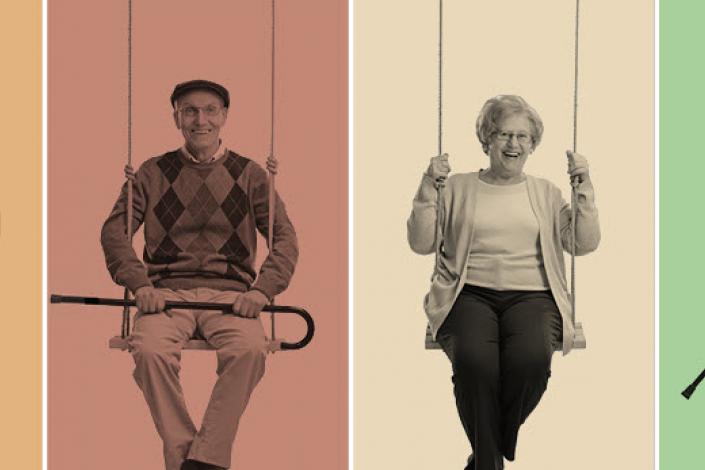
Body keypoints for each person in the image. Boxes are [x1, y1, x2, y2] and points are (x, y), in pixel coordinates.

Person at [101, 79, 298, 470]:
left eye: (210, 110)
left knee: (251, 349)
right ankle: (194, 459)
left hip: (231, 298)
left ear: (224, 116)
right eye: (189, 111)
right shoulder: (151, 172)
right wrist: (141, 285)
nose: (200, 120)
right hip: (165, 296)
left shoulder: (251, 174)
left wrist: (261, 292)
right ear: (176, 117)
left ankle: (199, 460)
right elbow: (114, 232)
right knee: (150, 350)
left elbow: (285, 239)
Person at [407, 95, 600, 470]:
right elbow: (421, 243)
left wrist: (584, 187)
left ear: (532, 144)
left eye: (522, 137)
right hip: (467, 294)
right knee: (475, 364)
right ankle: (490, 463)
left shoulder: (546, 192)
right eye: (503, 135)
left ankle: (484, 455)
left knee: (530, 363)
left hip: (534, 296)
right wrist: (428, 187)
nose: (513, 144)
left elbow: (583, 243)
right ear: (486, 139)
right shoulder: (456, 187)